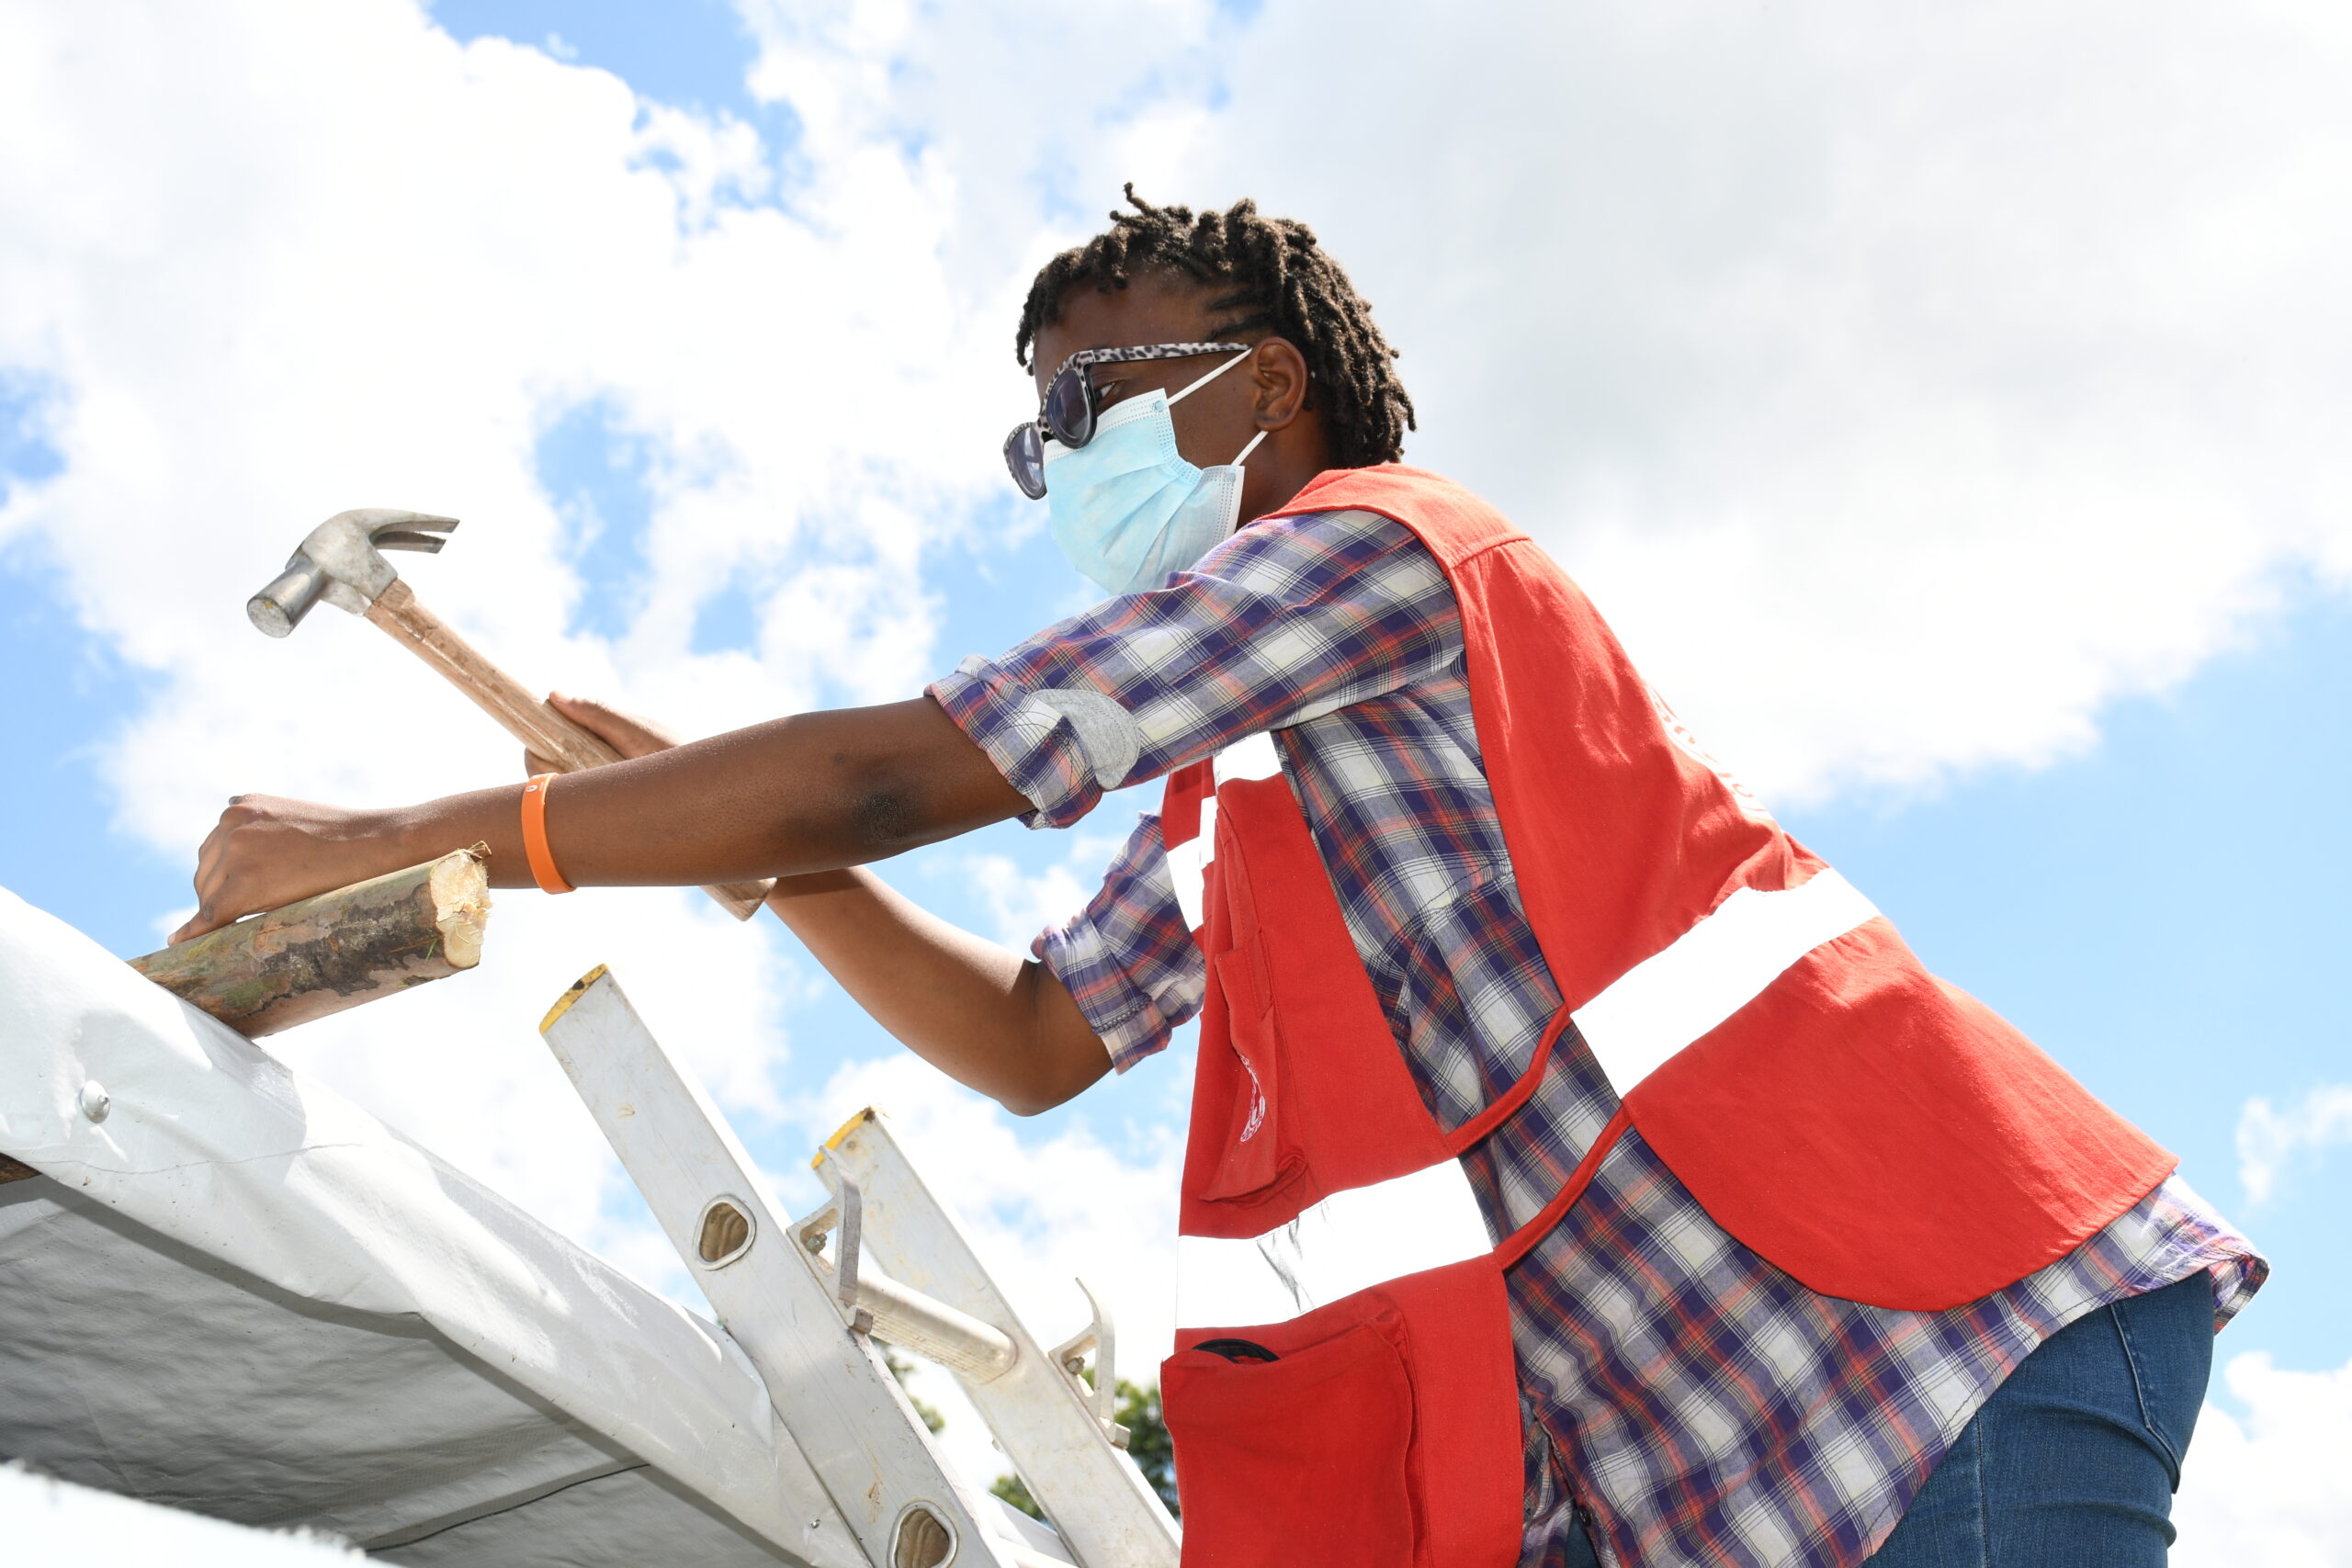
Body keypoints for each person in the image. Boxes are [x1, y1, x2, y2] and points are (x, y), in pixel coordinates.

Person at [178, 190, 2264, 1568]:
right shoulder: (1243, 792)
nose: (1059, 457)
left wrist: (383, 845)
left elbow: (913, 765)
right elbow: (1027, 1036)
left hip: (1919, 1313)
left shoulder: (1364, 550)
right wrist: (769, 872)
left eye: (1089, 395)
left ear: (1259, 384)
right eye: (1030, 439)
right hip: (1727, 1439)